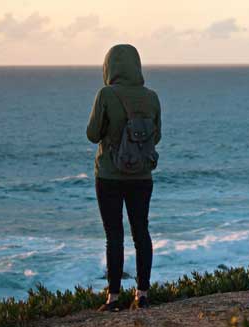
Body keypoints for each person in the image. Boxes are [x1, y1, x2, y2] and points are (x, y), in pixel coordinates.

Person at [86, 44, 162, 312]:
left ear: (109, 67)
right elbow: (157, 136)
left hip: (109, 175)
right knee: (141, 232)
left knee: (114, 235)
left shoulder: (106, 94)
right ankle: (143, 294)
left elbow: (93, 134)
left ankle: (114, 298)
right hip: (142, 177)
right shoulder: (151, 97)